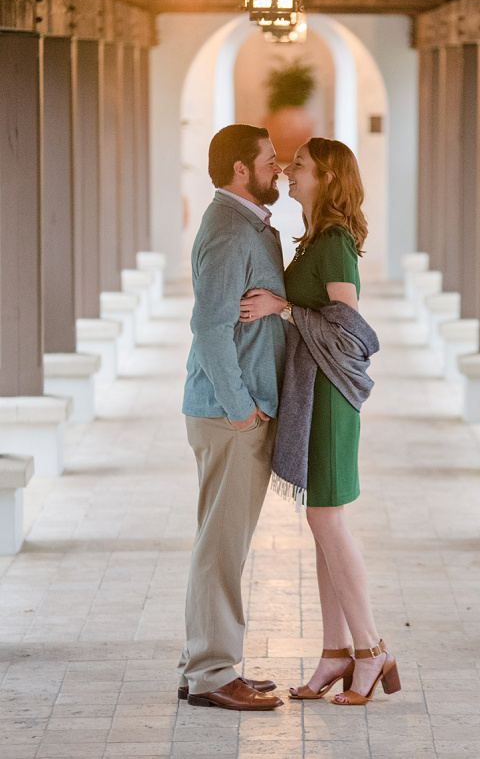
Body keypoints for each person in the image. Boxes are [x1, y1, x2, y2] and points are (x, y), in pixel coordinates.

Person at [239, 137, 396, 705]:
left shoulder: (332, 245)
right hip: (316, 394)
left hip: (329, 396)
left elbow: (349, 329)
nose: (288, 171)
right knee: (320, 525)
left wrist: (284, 309)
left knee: (329, 525)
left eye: (299, 166)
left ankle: (371, 650)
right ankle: (335, 653)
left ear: (328, 178)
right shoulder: (315, 241)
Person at [178, 124, 286, 711]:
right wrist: (241, 406)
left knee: (216, 542)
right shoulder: (229, 229)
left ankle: (200, 664)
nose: (279, 168)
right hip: (229, 415)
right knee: (221, 548)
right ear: (241, 170)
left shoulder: (246, 224)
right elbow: (210, 326)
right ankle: (215, 673)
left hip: (229, 412)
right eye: (270, 161)